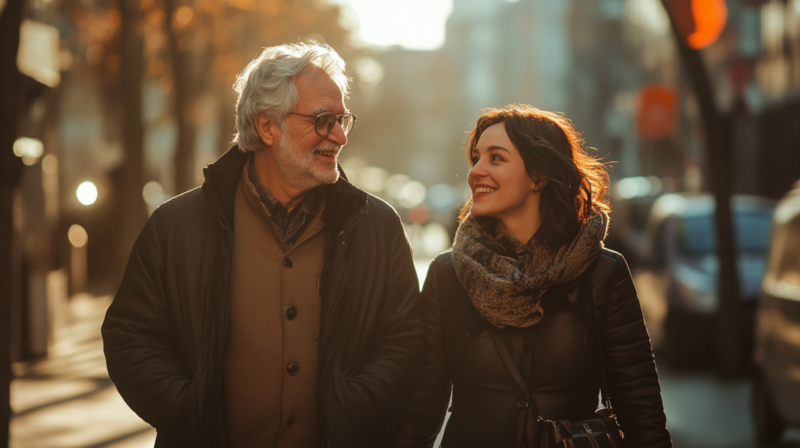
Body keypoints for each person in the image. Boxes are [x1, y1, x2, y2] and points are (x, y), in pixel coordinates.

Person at [102, 42, 427, 448]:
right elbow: (130, 337)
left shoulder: (377, 228)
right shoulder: (175, 226)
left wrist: (355, 410)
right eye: (323, 120)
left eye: (342, 119)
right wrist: (191, 412)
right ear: (267, 127)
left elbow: (405, 342)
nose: (340, 136)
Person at [393, 104, 672, 447]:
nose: (476, 171)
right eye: (476, 158)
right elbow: (422, 402)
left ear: (539, 176)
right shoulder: (448, 274)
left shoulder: (602, 272)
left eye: (496, 158)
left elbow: (639, 401)